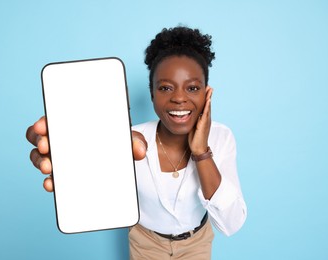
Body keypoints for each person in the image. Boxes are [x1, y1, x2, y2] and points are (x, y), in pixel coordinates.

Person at [26, 26, 247, 259]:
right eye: (165, 87)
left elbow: (231, 223)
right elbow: (96, 188)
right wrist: (72, 162)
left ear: (206, 94)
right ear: (152, 93)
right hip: (145, 244)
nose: (179, 97)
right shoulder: (128, 141)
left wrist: (201, 152)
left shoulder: (221, 138)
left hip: (197, 243)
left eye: (192, 88)